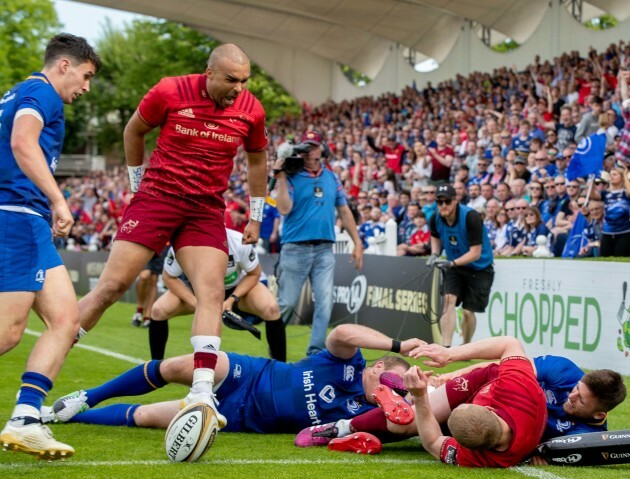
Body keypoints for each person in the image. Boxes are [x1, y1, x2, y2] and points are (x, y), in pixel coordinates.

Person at [74, 44, 268, 433]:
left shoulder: (252, 109)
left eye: (244, 80)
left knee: (211, 291)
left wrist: (256, 216)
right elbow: (135, 130)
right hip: (158, 198)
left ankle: (201, 391)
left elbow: (258, 160)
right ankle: (40, 375)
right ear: (208, 72)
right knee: (111, 288)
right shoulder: (168, 90)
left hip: (204, 209)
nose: (238, 88)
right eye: (231, 79)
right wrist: (136, 187)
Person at [0, 33, 101, 460]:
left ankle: (25, 418)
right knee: (8, 330)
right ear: (64, 65)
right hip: (19, 215)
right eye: (86, 75)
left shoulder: (20, 90)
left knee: (65, 317)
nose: (86, 86)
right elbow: (23, 142)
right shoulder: (43, 92)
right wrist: (59, 200)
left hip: (27, 219)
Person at [45, 324, 421, 436]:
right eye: (392, 379)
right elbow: (341, 331)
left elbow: (413, 420)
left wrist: (421, 385)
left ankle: (64, 416)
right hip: (249, 374)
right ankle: (87, 397)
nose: (395, 389)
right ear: (376, 368)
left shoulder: (375, 412)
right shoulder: (350, 361)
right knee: (180, 365)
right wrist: (399, 342)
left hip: (242, 418)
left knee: (147, 418)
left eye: (399, 387)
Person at [295, 339, 626, 460]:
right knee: (412, 418)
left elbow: (435, 444)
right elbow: (503, 355)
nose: (571, 396)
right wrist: (451, 367)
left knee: (410, 421)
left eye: (580, 400)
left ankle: (402, 397)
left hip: (480, 422)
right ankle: (344, 425)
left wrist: (425, 401)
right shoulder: (537, 382)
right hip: (488, 389)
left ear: (599, 412)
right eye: (575, 389)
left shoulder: (582, 439)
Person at [273, 130, 363, 356]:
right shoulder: (291, 175)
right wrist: (281, 177)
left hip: (324, 248)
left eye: (313, 147)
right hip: (295, 248)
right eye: (305, 147)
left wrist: (357, 243)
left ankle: (315, 353)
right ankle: (275, 348)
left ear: (322, 150)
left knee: (325, 302)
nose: (308, 152)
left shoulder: (332, 177)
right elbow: (283, 208)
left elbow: (344, 210)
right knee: (287, 304)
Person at [404, 336, 547, 467]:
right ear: (490, 409)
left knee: (400, 423)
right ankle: (418, 391)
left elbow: (432, 442)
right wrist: (449, 354)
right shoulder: (520, 390)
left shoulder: (473, 456)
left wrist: (420, 396)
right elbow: (510, 344)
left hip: (472, 396)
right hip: (489, 377)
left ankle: (409, 393)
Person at [148, 228, 286, 362]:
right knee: (158, 310)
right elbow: (169, 277)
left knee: (271, 308)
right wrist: (198, 303)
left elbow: (254, 273)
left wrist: (232, 299)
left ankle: (281, 368)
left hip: (236, 289)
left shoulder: (238, 241)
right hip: (199, 290)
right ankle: (155, 368)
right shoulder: (183, 244)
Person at [426, 184, 494, 347]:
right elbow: (435, 237)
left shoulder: (471, 217)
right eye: (439, 202)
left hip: (480, 267)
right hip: (455, 266)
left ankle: (465, 344)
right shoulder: (435, 218)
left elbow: (475, 252)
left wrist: (451, 262)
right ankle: (446, 347)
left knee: (468, 312)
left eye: (447, 201)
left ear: (455, 200)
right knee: (448, 300)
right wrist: (435, 254)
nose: (443, 205)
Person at [131, 247, 168, 328]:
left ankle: (148, 316)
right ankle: (139, 309)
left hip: (163, 245)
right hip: (147, 243)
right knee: (144, 276)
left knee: (153, 279)